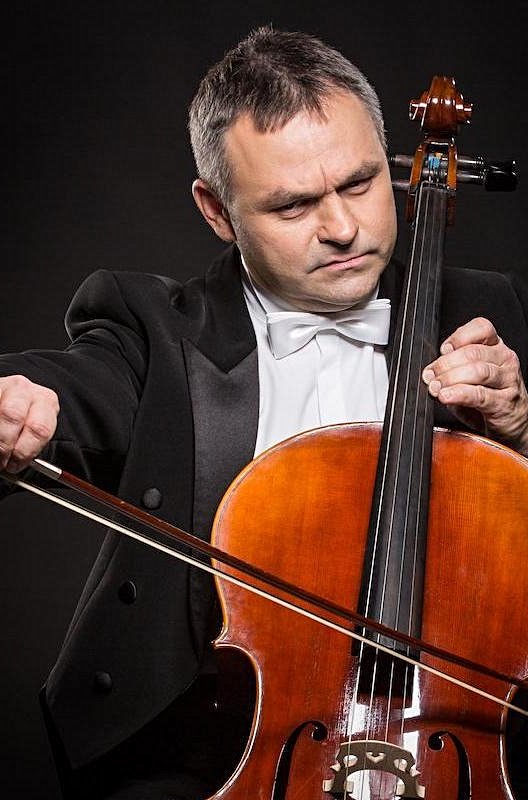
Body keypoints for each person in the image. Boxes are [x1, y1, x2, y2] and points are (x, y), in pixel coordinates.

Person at [2, 26, 528, 800]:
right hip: (201, 747)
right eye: (293, 205)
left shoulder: (493, 312)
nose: (342, 228)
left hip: (455, 740)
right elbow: (78, 387)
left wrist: (521, 430)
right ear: (217, 211)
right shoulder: (153, 330)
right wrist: (19, 400)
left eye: (360, 184)